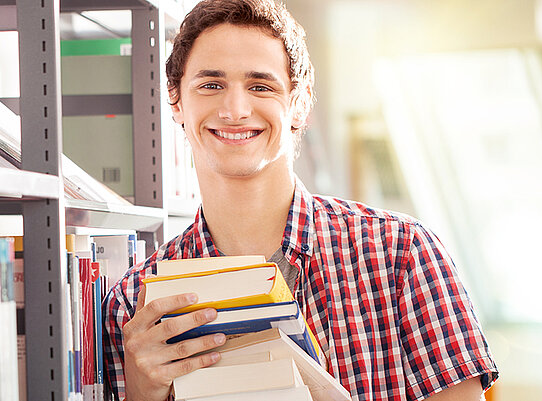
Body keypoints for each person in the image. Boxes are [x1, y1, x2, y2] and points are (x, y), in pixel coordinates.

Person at [102, 0, 499, 400]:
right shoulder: (135, 302)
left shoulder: (402, 253)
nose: (235, 110)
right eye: (211, 84)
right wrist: (142, 391)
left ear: (300, 102)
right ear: (175, 100)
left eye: (260, 86)